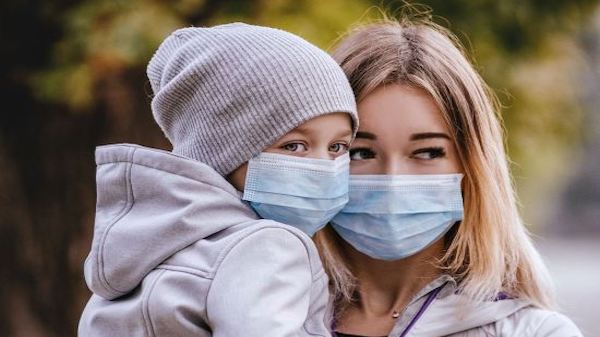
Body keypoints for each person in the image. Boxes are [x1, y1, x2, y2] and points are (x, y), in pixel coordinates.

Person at [78, 22, 358, 337]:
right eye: (293, 146)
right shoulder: (266, 246)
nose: (323, 166)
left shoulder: (141, 246)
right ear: (223, 149)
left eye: (338, 147)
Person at [313, 17, 584, 336]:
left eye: (427, 152)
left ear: (472, 166)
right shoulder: (262, 311)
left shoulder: (533, 332)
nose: (392, 178)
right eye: (360, 152)